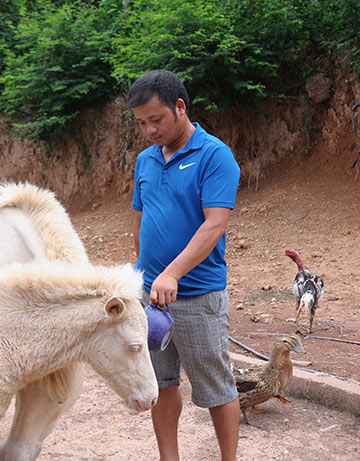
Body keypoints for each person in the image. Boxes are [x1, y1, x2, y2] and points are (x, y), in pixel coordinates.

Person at [129, 70, 241, 461]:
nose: (149, 130)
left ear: (180, 107)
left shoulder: (215, 155)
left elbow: (215, 223)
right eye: (142, 123)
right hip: (151, 297)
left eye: (155, 120)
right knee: (161, 383)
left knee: (216, 387)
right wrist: (144, 273)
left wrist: (173, 272)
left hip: (198, 297)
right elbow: (141, 218)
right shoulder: (145, 160)